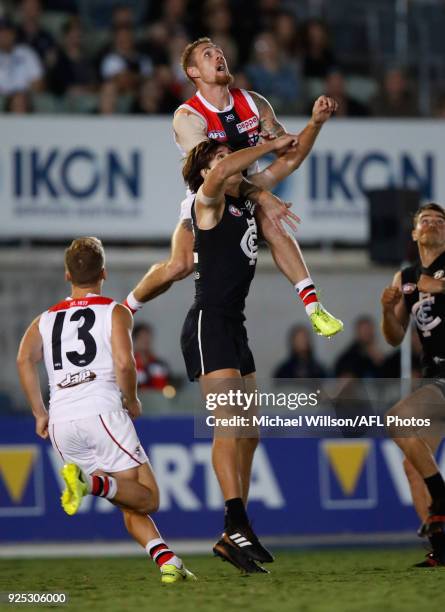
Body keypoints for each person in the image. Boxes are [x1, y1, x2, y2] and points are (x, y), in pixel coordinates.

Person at [125, 37, 343, 339]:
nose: (219, 56)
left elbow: (288, 156)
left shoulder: (254, 103)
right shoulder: (188, 116)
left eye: (220, 52)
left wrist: (315, 123)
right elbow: (218, 174)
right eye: (208, 54)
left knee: (275, 224)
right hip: (210, 199)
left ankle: (314, 308)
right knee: (179, 265)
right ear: (193, 72)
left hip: (248, 189)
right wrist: (263, 195)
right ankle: (128, 307)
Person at [180, 131, 327, 573]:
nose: (228, 160)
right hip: (209, 323)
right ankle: (235, 520)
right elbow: (229, 169)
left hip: (233, 326)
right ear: (205, 172)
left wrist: (313, 126)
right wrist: (266, 144)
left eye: (230, 153)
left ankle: (235, 534)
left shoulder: (244, 198)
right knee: (229, 426)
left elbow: (288, 164)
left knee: (250, 432)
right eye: (220, 156)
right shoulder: (205, 202)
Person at [16, 237, 196, 584]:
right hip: (101, 412)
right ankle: (91, 484)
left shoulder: (45, 319)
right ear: (104, 273)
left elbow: (24, 359)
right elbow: (125, 364)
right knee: (148, 497)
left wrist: (39, 413)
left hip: (61, 423)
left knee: (125, 498)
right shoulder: (114, 312)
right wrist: (131, 400)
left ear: (68, 275)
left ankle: (167, 561)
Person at [381, 203, 445, 567]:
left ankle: (441, 496)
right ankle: (441, 546)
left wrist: (436, 285)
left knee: (398, 419)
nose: (434, 224)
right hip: (434, 378)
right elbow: (393, 338)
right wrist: (386, 311)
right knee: (412, 465)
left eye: (440, 220)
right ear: (415, 234)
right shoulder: (405, 277)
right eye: (426, 220)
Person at [133, 323, 171, 390]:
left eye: (147, 337)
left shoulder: (160, 365)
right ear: (135, 340)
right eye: (142, 337)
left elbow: (168, 387)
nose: (145, 341)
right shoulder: (129, 365)